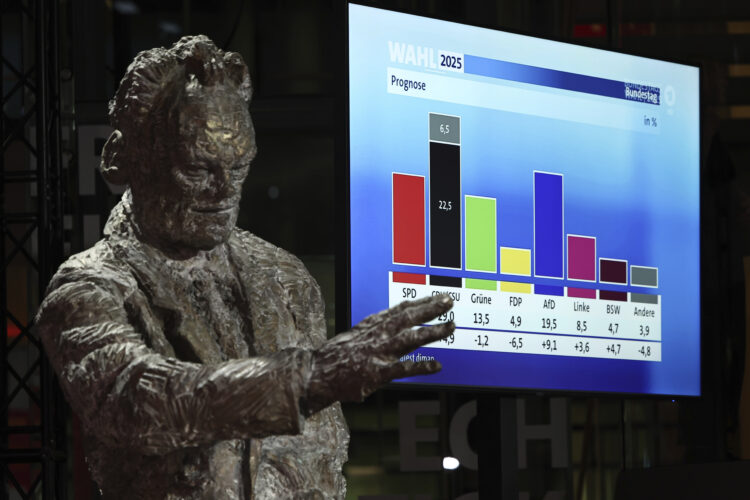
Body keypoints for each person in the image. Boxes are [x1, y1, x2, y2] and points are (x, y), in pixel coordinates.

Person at [33, 35, 453, 499]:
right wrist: (310, 378)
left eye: (238, 168)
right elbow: (137, 402)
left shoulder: (285, 276)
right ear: (123, 159)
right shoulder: (88, 288)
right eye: (197, 169)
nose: (224, 191)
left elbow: (322, 454)